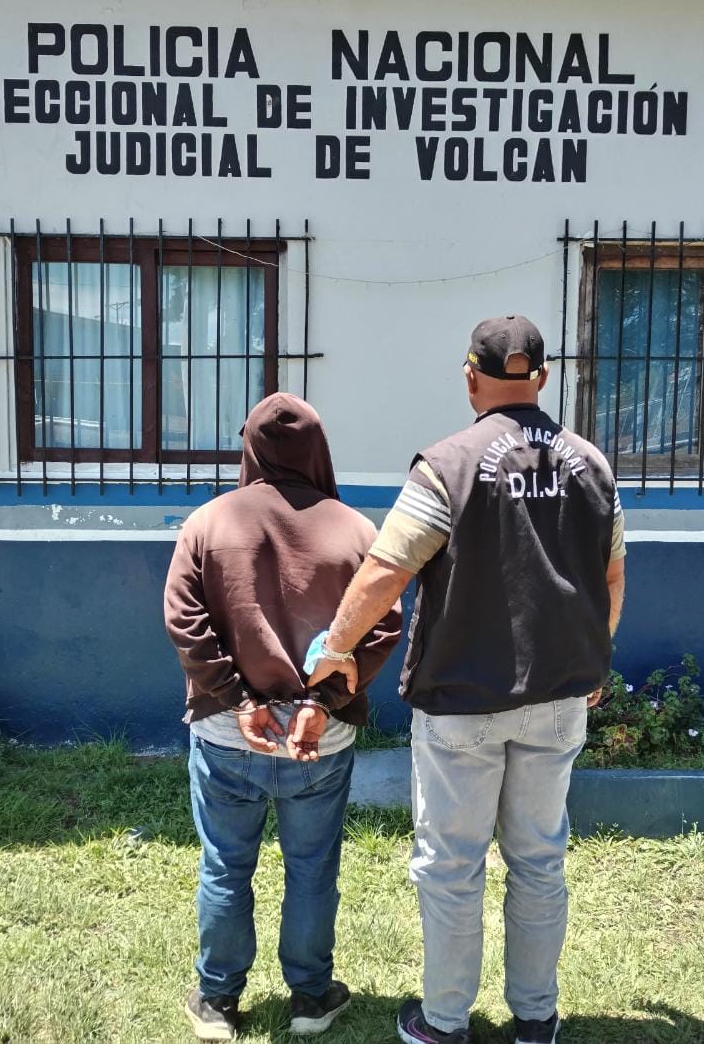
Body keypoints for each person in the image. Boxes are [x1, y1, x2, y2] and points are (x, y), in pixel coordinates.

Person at [307, 316, 626, 1044]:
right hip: (559, 698)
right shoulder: (593, 467)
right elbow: (611, 576)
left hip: (460, 702)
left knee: (452, 867)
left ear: (470, 376)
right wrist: (594, 656)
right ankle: (535, 1019)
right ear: (543, 378)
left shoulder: (446, 465)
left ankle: (445, 1022)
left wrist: (336, 649)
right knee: (539, 862)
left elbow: (386, 570)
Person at [164, 393, 402, 1041]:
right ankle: (311, 997)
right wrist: (321, 705)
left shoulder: (207, 523)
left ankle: (218, 1001)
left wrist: (239, 701)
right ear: (317, 449)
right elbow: (384, 625)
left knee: (225, 865)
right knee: (312, 869)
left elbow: (184, 621)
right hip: (318, 739)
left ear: (250, 448)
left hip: (226, 733)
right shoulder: (357, 532)